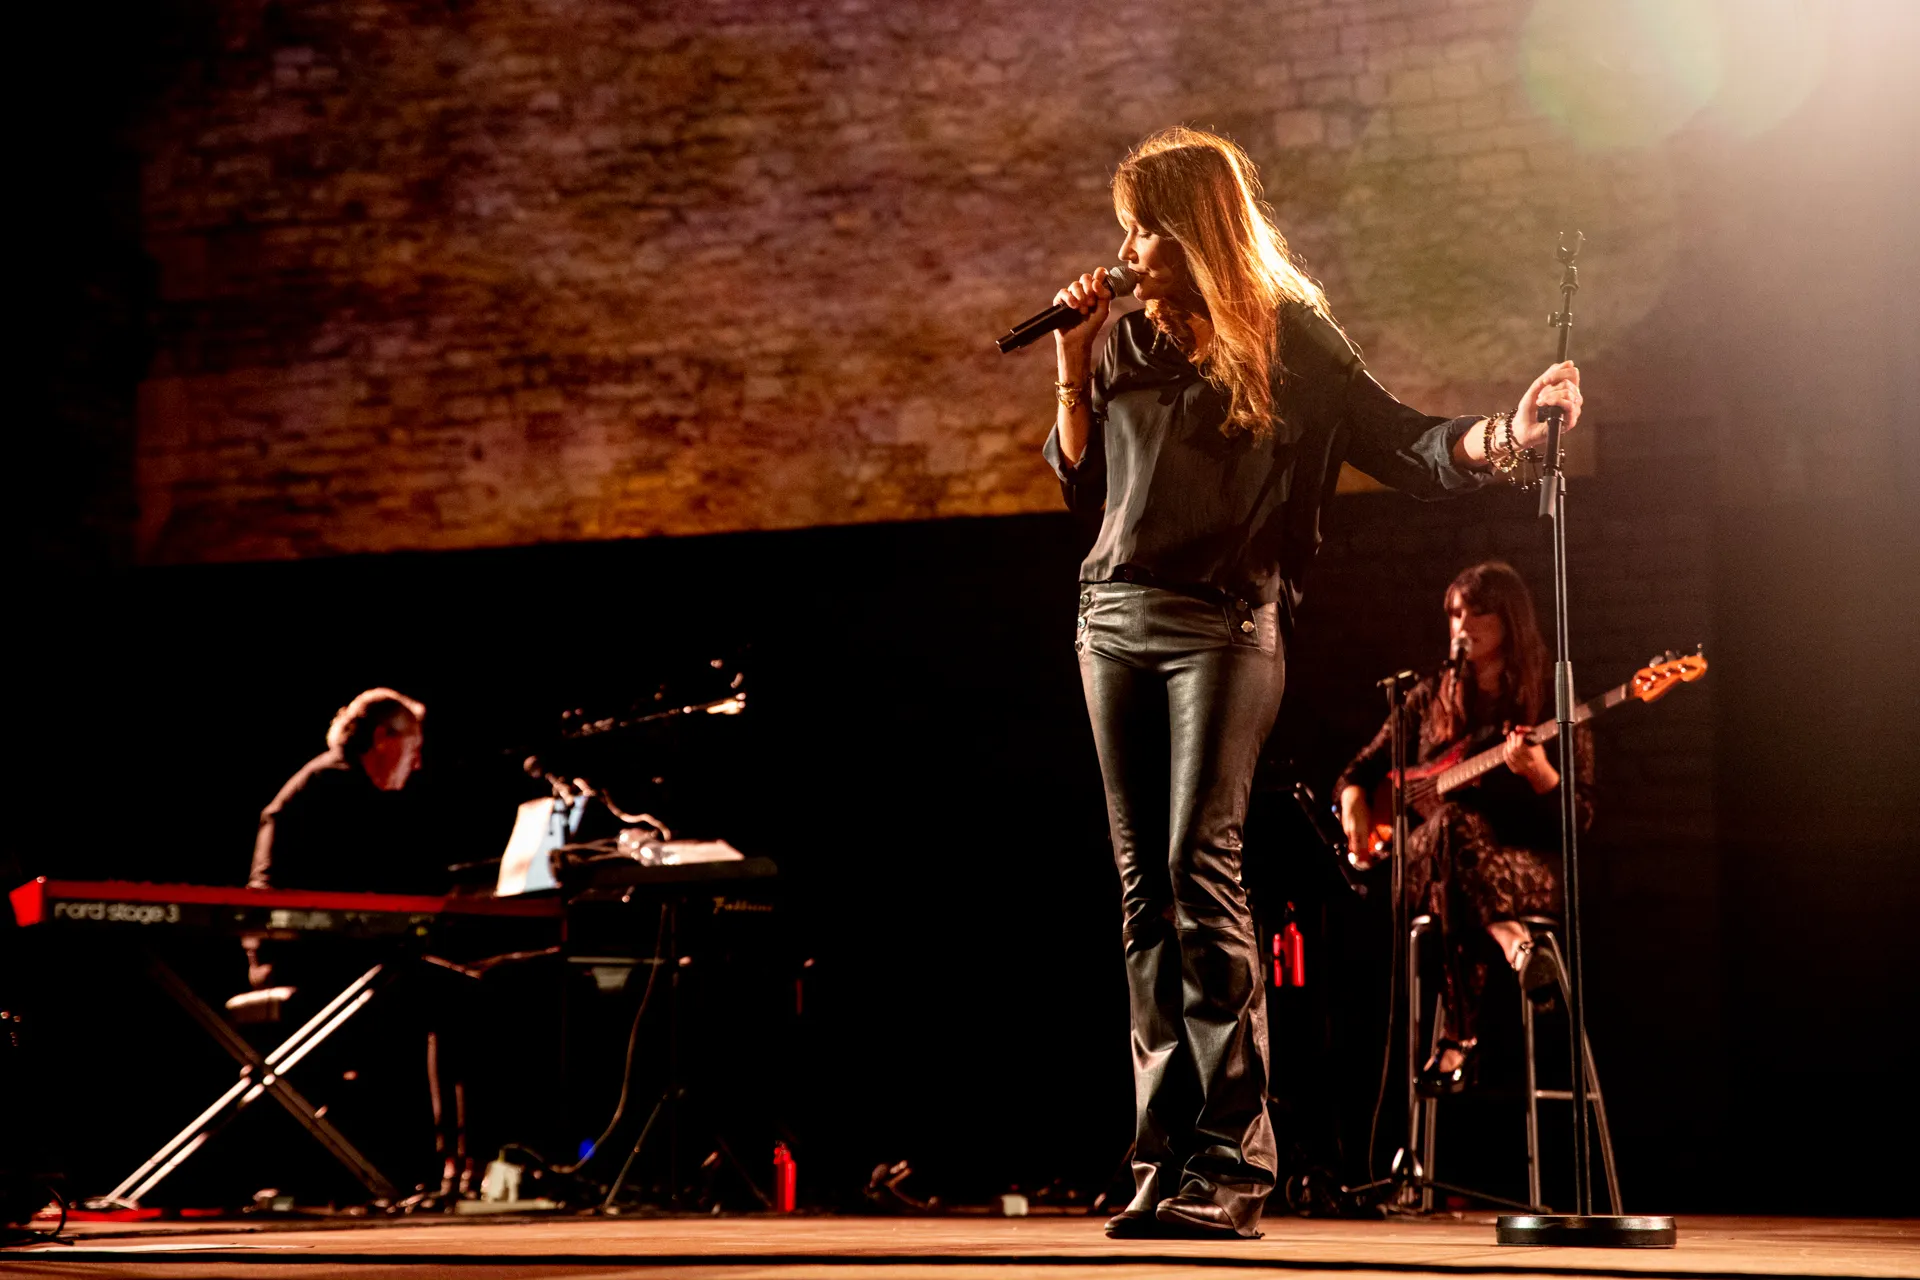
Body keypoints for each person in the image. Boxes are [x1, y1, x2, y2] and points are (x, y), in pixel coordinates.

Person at [1043, 127, 1582, 1240]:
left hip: (1225, 627)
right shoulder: (1124, 337)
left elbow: (1409, 446)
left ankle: (1233, 1161)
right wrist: (1072, 355)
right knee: (1145, 890)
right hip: (1112, 618)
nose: (1129, 246)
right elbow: (1078, 477)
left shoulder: (1293, 340)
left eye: (1144, 225)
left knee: (1203, 866)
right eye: (1126, 227)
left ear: (1195, 226)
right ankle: (1162, 1153)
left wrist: (1504, 434)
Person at [1335, 562, 1593, 1096]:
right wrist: (1358, 819)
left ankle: (1458, 1040)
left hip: (1523, 867)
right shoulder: (1425, 700)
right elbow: (1356, 773)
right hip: (1426, 865)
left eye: (1478, 612)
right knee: (1452, 825)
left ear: (1510, 621)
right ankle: (1516, 947)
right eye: (1455, 612)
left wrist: (1541, 773)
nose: (1463, 624)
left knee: (1458, 846)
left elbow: (1579, 819)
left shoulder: (1552, 696)